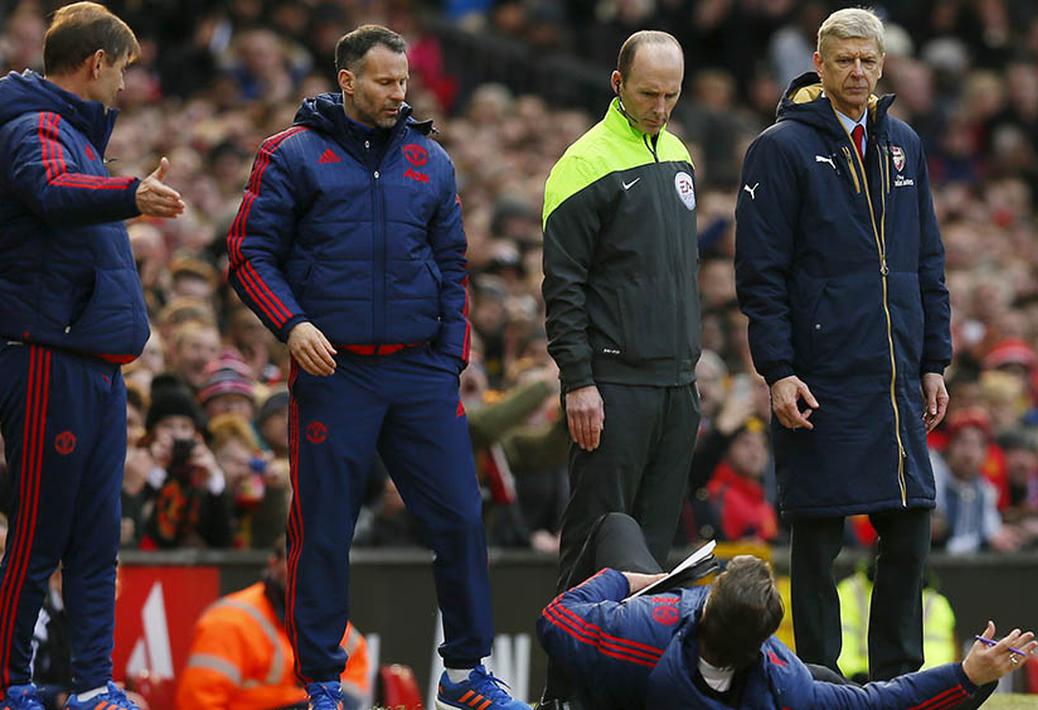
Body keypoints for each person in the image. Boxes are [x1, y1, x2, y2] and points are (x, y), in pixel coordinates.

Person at [225, 24, 527, 710]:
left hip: (420, 371)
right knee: (324, 529)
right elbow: (247, 252)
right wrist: (291, 323)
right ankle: (323, 683)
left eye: (404, 81)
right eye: (385, 81)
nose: (399, 93)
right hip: (336, 372)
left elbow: (453, 265)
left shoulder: (430, 159)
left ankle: (465, 673)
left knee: (459, 518)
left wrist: (451, 357)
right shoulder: (290, 155)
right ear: (347, 81)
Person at [734, 7, 952, 681]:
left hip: (892, 376)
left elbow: (926, 260)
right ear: (819, 66)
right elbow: (759, 274)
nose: (857, 71)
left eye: (867, 60)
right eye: (843, 60)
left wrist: (933, 360)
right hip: (820, 375)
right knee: (817, 536)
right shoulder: (779, 148)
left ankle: (897, 680)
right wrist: (777, 371)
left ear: (882, 65)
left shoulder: (903, 144)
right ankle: (815, 681)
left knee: (909, 531)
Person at [0, 3, 185, 709]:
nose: (125, 86)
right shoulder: (34, 127)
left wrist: (119, 186)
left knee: (94, 545)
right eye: (123, 69)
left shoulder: (77, 139)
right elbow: (48, 190)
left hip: (94, 360)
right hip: (49, 352)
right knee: (39, 537)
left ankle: (90, 687)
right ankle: (9, 683)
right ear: (96, 62)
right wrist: (128, 193)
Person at [539, 29, 701, 706]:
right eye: (647, 93)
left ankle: (630, 694)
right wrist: (578, 381)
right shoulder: (583, 163)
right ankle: (562, 695)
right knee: (592, 548)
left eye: (670, 94)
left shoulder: (678, 152)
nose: (660, 107)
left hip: (674, 384)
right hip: (613, 384)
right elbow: (563, 286)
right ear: (616, 84)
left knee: (654, 560)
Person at [537, 513, 1034, 710]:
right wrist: (968, 675)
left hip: (619, 686)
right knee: (832, 683)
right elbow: (879, 703)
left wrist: (628, 582)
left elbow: (554, 619)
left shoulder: (643, 626)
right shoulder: (779, 682)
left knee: (617, 525)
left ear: (706, 603)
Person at [176, 540, 371, 710]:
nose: (307, 573)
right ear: (273, 563)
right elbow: (197, 702)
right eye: (297, 561)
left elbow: (352, 695)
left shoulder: (337, 629)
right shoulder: (229, 621)